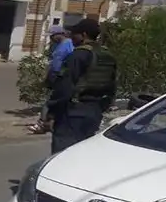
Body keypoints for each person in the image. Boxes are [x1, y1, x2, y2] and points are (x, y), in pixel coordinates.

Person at [46, 18, 117, 154]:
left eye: (74, 34)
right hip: (95, 111)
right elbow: (112, 85)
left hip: (73, 112)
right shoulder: (107, 55)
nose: (71, 37)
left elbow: (64, 87)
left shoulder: (78, 55)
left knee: (62, 154)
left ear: (83, 35)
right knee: (82, 152)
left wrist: (51, 112)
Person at [29, 25, 74, 134]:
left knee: (50, 102)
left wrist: (55, 77)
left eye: (52, 36)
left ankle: (42, 124)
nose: (51, 38)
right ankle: (49, 123)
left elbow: (63, 63)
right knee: (54, 102)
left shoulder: (67, 45)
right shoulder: (59, 45)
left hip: (60, 77)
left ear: (59, 35)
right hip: (56, 76)